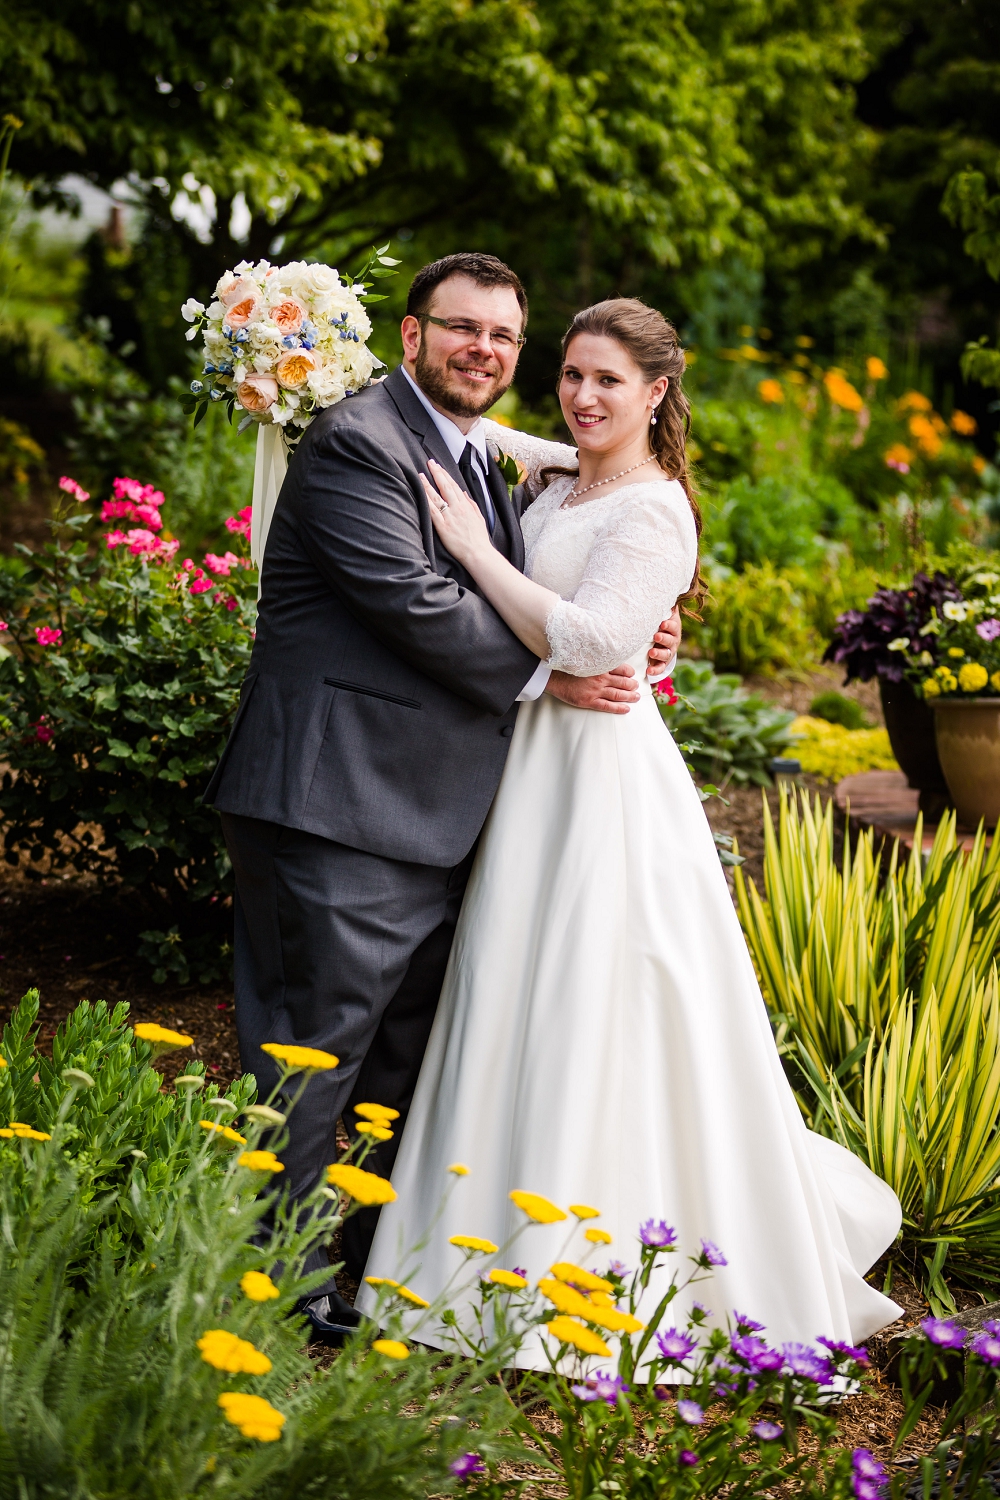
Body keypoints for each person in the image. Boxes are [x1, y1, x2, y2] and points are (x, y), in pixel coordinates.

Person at [358, 297, 903, 1363]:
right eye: (569, 373)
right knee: (510, 980)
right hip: (528, 771)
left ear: (657, 392)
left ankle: (589, 1256)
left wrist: (474, 548)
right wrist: (332, 355)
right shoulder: (564, 471)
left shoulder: (655, 510)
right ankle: (473, 1244)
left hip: (599, 776)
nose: (583, 395)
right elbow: (467, 425)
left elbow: (596, 636)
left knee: (592, 990)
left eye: (608, 380)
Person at [204, 255, 682, 1343]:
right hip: (336, 803)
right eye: (460, 328)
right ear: (409, 336)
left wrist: (635, 601)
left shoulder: (476, 455)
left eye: (503, 338)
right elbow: (417, 602)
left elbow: (589, 517)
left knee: (392, 1062)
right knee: (310, 1059)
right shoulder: (361, 445)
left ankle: (351, 1278)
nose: (483, 350)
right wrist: (555, 674)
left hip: (439, 813)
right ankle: (265, 1297)